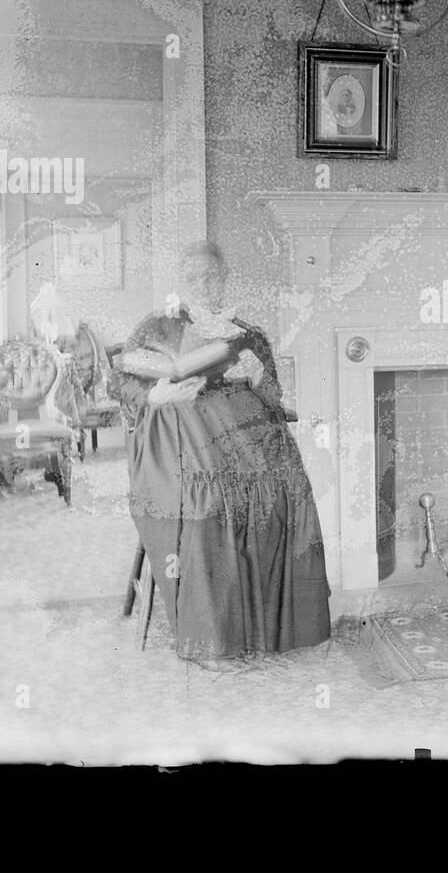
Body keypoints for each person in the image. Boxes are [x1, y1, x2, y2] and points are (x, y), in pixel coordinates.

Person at [115, 240, 331, 669]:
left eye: (212, 276)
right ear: (181, 281)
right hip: (180, 445)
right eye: (195, 277)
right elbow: (124, 384)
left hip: (248, 442)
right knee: (211, 503)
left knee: (288, 492)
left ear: (225, 277)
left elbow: (274, 397)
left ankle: (280, 631)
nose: (205, 284)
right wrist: (158, 391)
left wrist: (256, 377)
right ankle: (215, 640)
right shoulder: (157, 326)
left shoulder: (247, 333)